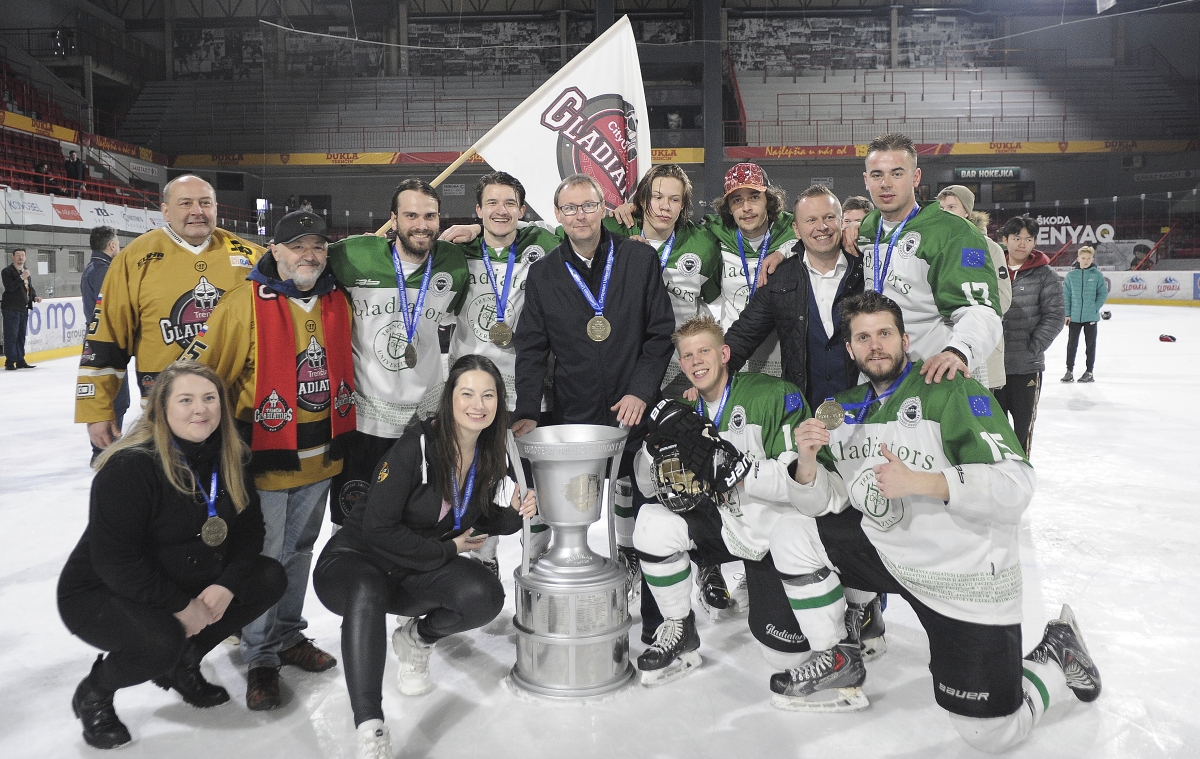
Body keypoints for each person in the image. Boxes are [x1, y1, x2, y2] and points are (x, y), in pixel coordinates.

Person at [776, 290, 1100, 749]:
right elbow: (821, 503)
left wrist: (925, 483)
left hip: (961, 574)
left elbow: (1017, 484)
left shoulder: (951, 389)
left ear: (905, 339)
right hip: (889, 554)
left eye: (885, 333)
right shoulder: (841, 409)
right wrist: (807, 462)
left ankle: (1055, 653)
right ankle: (838, 656)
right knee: (791, 532)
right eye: (863, 337)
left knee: (990, 734)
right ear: (849, 349)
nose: (875, 345)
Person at [312, 355, 537, 759]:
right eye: (467, 393)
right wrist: (448, 549)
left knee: (484, 595)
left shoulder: (489, 452)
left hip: (412, 567)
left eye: (488, 396)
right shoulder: (414, 447)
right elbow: (377, 530)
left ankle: (416, 638)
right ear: (449, 398)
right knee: (366, 588)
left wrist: (516, 512)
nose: (478, 404)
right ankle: (370, 725)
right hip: (355, 561)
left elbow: (480, 519)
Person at [56, 362, 287, 750]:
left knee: (269, 577)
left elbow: (250, 534)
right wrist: (181, 606)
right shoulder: (129, 466)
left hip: (178, 573)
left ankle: (183, 663)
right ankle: (95, 692)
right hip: (101, 591)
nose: (200, 409)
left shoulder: (233, 456)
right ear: (161, 408)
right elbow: (117, 563)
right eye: (186, 400)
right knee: (162, 640)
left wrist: (227, 585)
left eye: (209, 398)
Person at [193, 210, 353, 710]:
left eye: (318, 246)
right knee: (266, 557)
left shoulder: (336, 299)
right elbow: (207, 377)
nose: (310, 255)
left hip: (321, 458)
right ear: (275, 251)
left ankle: (286, 634)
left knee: (300, 550)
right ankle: (260, 653)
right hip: (264, 459)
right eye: (297, 246)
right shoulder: (241, 303)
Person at [514, 172, 675, 635]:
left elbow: (659, 333)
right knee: (573, 516)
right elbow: (532, 349)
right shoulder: (544, 273)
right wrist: (527, 412)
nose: (580, 216)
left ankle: (657, 617)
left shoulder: (638, 259)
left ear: (603, 208)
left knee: (647, 516)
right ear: (557, 214)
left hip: (635, 413)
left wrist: (641, 391)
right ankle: (569, 601)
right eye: (570, 208)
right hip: (576, 418)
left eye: (588, 206)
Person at [632, 316, 824, 688]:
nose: (696, 362)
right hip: (722, 523)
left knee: (786, 654)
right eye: (688, 356)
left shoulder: (773, 394)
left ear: (723, 354)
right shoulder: (681, 410)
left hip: (772, 531)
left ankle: (850, 609)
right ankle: (679, 627)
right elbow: (647, 486)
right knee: (652, 522)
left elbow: (799, 484)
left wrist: (738, 469)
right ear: (681, 364)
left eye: (704, 351)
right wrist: (651, 450)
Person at [75, 174, 262, 450]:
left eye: (205, 203)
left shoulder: (252, 257)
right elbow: (107, 336)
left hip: (237, 411)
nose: (197, 211)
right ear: (165, 211)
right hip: (166, 412)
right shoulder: (134, 258)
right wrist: (97, 408)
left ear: (216, 208)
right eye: (185, 203)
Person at [326, 179, 468, 526]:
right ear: (393, 219)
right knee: (354, 523)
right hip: (365, 419)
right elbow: (301, 256)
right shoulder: (353, 255)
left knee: (415, 519)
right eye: (411, 215)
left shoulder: (452, 262)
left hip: (425, 422)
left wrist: (478, 228)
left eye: (430, 216)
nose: (422, 225)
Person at [438, 172, 559, 575]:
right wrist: (474, 231)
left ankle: (536, 558)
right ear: (478, 209)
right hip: (474, 393)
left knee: (535, 482)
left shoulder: (541, 244)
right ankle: (482, 559)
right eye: (491, 203)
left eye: (509, 203)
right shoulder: (457, 251)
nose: (500, 211)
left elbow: (576, 226)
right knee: (478, 478)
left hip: (528, 389)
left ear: (522, 210)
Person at [853, 133, 1002, 385]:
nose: (886, 184)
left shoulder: (953, 232)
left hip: (933, 374)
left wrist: (958, 351)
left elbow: (981, 309)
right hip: (876, 372)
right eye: (877, 175)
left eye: (897, 173)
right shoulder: (869, 226)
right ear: (866, 180)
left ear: (916, 177)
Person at [703, 163, 798, 378]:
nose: (746, 207)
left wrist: (784, 251)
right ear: (728, 207)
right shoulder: (715, 233)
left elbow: (825, 232)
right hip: (734, 352)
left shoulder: (792, 230)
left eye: (754, 197)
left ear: (768, 201)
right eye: (737, 200)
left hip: (781, 358)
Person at [993, 215, 1063, 456]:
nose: (1022, 244)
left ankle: (1020, 471)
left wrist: (1034, 346)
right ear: (1005, 240)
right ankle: (998, 472)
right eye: (1016, 238)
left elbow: (1055, 316)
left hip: (1026, 367)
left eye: (1028, 239)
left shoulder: (1045, 275)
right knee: (995, 429)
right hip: (994, 367)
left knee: (1022, 430)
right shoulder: (991, 270)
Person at [937, 185, 1012, 392]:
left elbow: (1003, 299)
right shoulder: (933, 247)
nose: (945, 212)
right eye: (942, 208)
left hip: (979, 347)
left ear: (966, 212)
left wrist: (967, 317)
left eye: (952, 207)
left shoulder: (989, 248)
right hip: (940, 348)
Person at [81, 228, 130, 460]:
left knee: (112, 398)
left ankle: (104, 450)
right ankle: (104, 451)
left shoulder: (92, 267)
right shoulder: (104, 271)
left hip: (100, 341)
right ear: (112, 245)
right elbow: (112, 309)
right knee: (115, 400)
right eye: (117, 243)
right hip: (106, 342)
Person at [1061, 245, 1108, 383]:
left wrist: (1094, 307)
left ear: (1092, 259)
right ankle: (1069, 371)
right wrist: (1067, 314)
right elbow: (1066, 296)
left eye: (1088, 258)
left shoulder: (1097, 275)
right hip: (1074, 317)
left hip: (1091, 317)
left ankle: (1089, 372)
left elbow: (1103, 293)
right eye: (1083, 258)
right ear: (1078, 259)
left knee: (1090, 345)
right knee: (1071, 345)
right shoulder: (1071, 276)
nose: (1086, 261)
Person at [2, 247, 40, 369]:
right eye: (18, 255)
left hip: (23, 308)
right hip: (11, 308)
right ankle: (10, 361)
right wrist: (21, 277)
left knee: (21, 335)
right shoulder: (7, 271)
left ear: (25, 257)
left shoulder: (25, 272)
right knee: (11, 335)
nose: (20, 257)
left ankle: (20, 359)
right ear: (12, 257)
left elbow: (29, 288)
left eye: (22, 255)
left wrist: (34, 297)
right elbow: (9, 288)